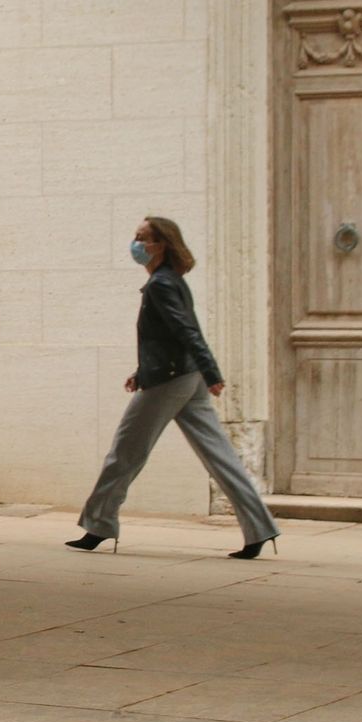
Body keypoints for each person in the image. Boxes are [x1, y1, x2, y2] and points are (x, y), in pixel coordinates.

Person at [67, 216, 280, 560]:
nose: (135, 244)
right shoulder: (170, 281)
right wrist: (144, 370)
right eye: (136, 236)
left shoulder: (161, 285)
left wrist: (212, 373)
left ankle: (99, 524)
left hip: (169, 380)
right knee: (219, 455)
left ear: (161, 245)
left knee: (124, 452)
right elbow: (165, 336)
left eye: (143, 238)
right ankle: (260, 529)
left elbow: (186, 330)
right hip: (184, 376)